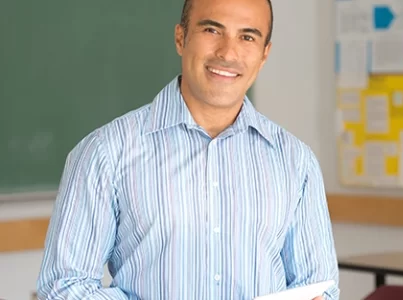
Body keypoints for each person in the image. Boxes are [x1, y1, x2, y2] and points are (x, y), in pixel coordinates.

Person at [35, 0, 340, 299]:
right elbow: (63, 287)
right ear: (181, 38)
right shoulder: (105, 152)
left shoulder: (295, 162)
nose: (228, 52)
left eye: (247, 37)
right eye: (212, 30)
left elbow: (320, 287)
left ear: (264, 54)